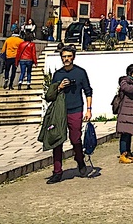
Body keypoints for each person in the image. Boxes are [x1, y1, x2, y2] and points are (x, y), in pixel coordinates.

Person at [44, 46, 92, 183]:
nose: (66, 59)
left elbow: (88, 91)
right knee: (57, 140)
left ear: (73, 57)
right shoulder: (58, 74)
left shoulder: (81, 72)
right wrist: (59, 87)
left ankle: (80, 160)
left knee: (75, 139)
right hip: (60, 111)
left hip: (76, 109)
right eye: (64, 56)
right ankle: (57, 171)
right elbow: (51, 93)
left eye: (69, 56)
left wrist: (89, 109)